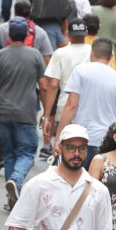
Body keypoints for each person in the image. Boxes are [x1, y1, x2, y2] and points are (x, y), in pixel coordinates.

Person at [0, 17, 46, 209]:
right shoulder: (35, 55)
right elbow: (44, 85)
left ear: (9, 35)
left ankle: (10, 198)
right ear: (27, 34)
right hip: (26, 112)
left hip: (3, 113)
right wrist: (47, 113)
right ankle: (17, 181)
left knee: (9, 155)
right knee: (27, 152)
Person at [53, 38, 116, 167]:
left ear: (92, 53)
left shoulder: (80, 71)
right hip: (107, 143)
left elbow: (71, 105)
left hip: (81, 139)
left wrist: (59, 138)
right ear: (111, 56)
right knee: (99, 185)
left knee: (77, 183)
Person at [39, 18, 92, 160]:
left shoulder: (60, 53)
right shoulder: (94, 52)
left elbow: (53, 85)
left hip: (64, 107)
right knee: (86, 151)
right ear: (86, 33)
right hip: (89, 108)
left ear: (67, 34)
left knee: (66, 152)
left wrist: (46, 116)